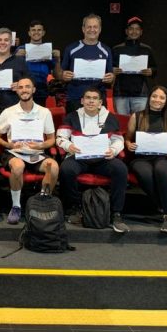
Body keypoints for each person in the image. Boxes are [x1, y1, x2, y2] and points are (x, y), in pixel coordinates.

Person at [56, 87, 129, 232]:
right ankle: (74, 207)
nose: (91, 101)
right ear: (82, 101)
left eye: (95, 98)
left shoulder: (110, 117)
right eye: (88, 98)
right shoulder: (72, 116)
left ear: (100, 102)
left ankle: (116, 213)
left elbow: (118, 140)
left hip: (103, 159)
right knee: (66, 169)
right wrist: (68, 145)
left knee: (120, 169)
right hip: (79, 157)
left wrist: (113, 150)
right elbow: (60, 138)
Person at [0, 77, 58, 224]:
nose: (24, 90)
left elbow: (51, 139)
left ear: (34, 90)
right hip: (14, 153)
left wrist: (41, 146)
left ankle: (42, 201)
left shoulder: (44, 112)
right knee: (18, 167)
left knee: (54, 167)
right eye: (21, 87)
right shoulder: (8, 112)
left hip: (37, 152)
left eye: (27, 87)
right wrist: (9, 145)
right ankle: (16, 206)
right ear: (17, 90)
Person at [125, 86, 167, 233]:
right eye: (154, 96)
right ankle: (165, 207)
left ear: (166, 101)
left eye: (162, 97)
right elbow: (127, 138)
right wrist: (129, 144)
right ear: (149, 98)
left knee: (161, 170)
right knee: (145, 174)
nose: (157, 100)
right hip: (141, 158)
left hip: (162, 157)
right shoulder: (137, 116)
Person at [57, 13, 115, 114]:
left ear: (100, 29)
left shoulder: (106, 50)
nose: (92, 29)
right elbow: (60, 73)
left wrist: (111, 77)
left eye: (95, 27)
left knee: (98, 129)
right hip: (75, 98)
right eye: (89, 27)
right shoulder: (71, 48)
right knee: (75, 130)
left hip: (98, 99)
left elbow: (111, 77)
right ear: (83, 29)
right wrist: (63, 75)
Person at [112, 16, 158, 114]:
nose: (134, 32)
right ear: (126, 31)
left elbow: (155, 68)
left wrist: (151, 71)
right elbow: (108, 68)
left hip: (140, 94)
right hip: (120, 94)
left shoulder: (147, 49)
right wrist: (113, 69)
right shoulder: (117, 49)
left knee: (139, 124)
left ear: (141, 32)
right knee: (122, 123)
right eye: (131, 29)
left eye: (137, 29)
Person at [15, 20, 62, 105]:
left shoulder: (48, 51)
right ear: (29, 33)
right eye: (33, 30)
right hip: (23, 89)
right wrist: (15, 57)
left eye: (39, 30)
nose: (36, 32)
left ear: (43, 32)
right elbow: (13, 70)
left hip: (41, 91)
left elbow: (57, 76)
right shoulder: (20, 50)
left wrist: (58, 60)